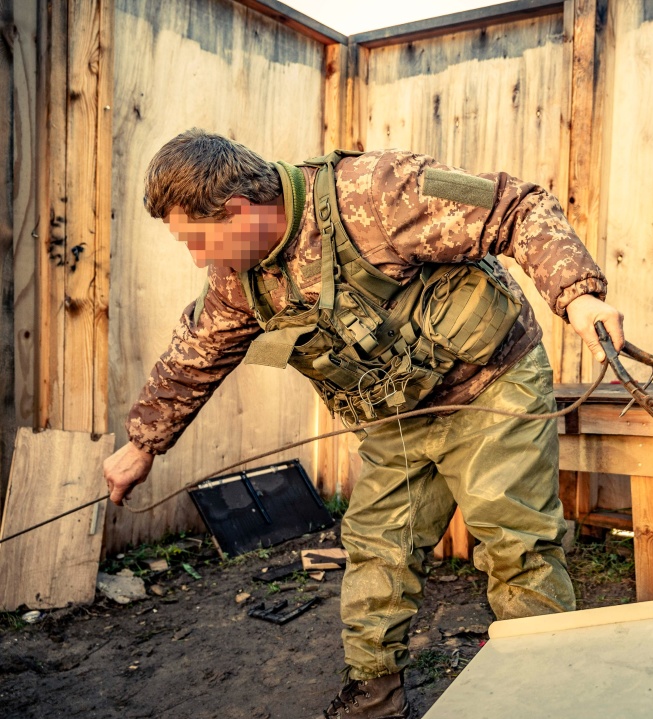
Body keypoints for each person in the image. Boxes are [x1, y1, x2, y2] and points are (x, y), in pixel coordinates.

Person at [102, 129, 624, 719]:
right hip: (397, 415)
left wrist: (578, 295)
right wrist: (143, 445)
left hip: (489, 382)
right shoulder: (238, 279)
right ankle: (373, 697)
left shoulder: (375, 192)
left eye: (199, 241)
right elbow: (196, 352)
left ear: (239, 211)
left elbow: (516, 206)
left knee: (516, 540)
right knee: (377, 548)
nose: (200, 259)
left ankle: (543, 695)